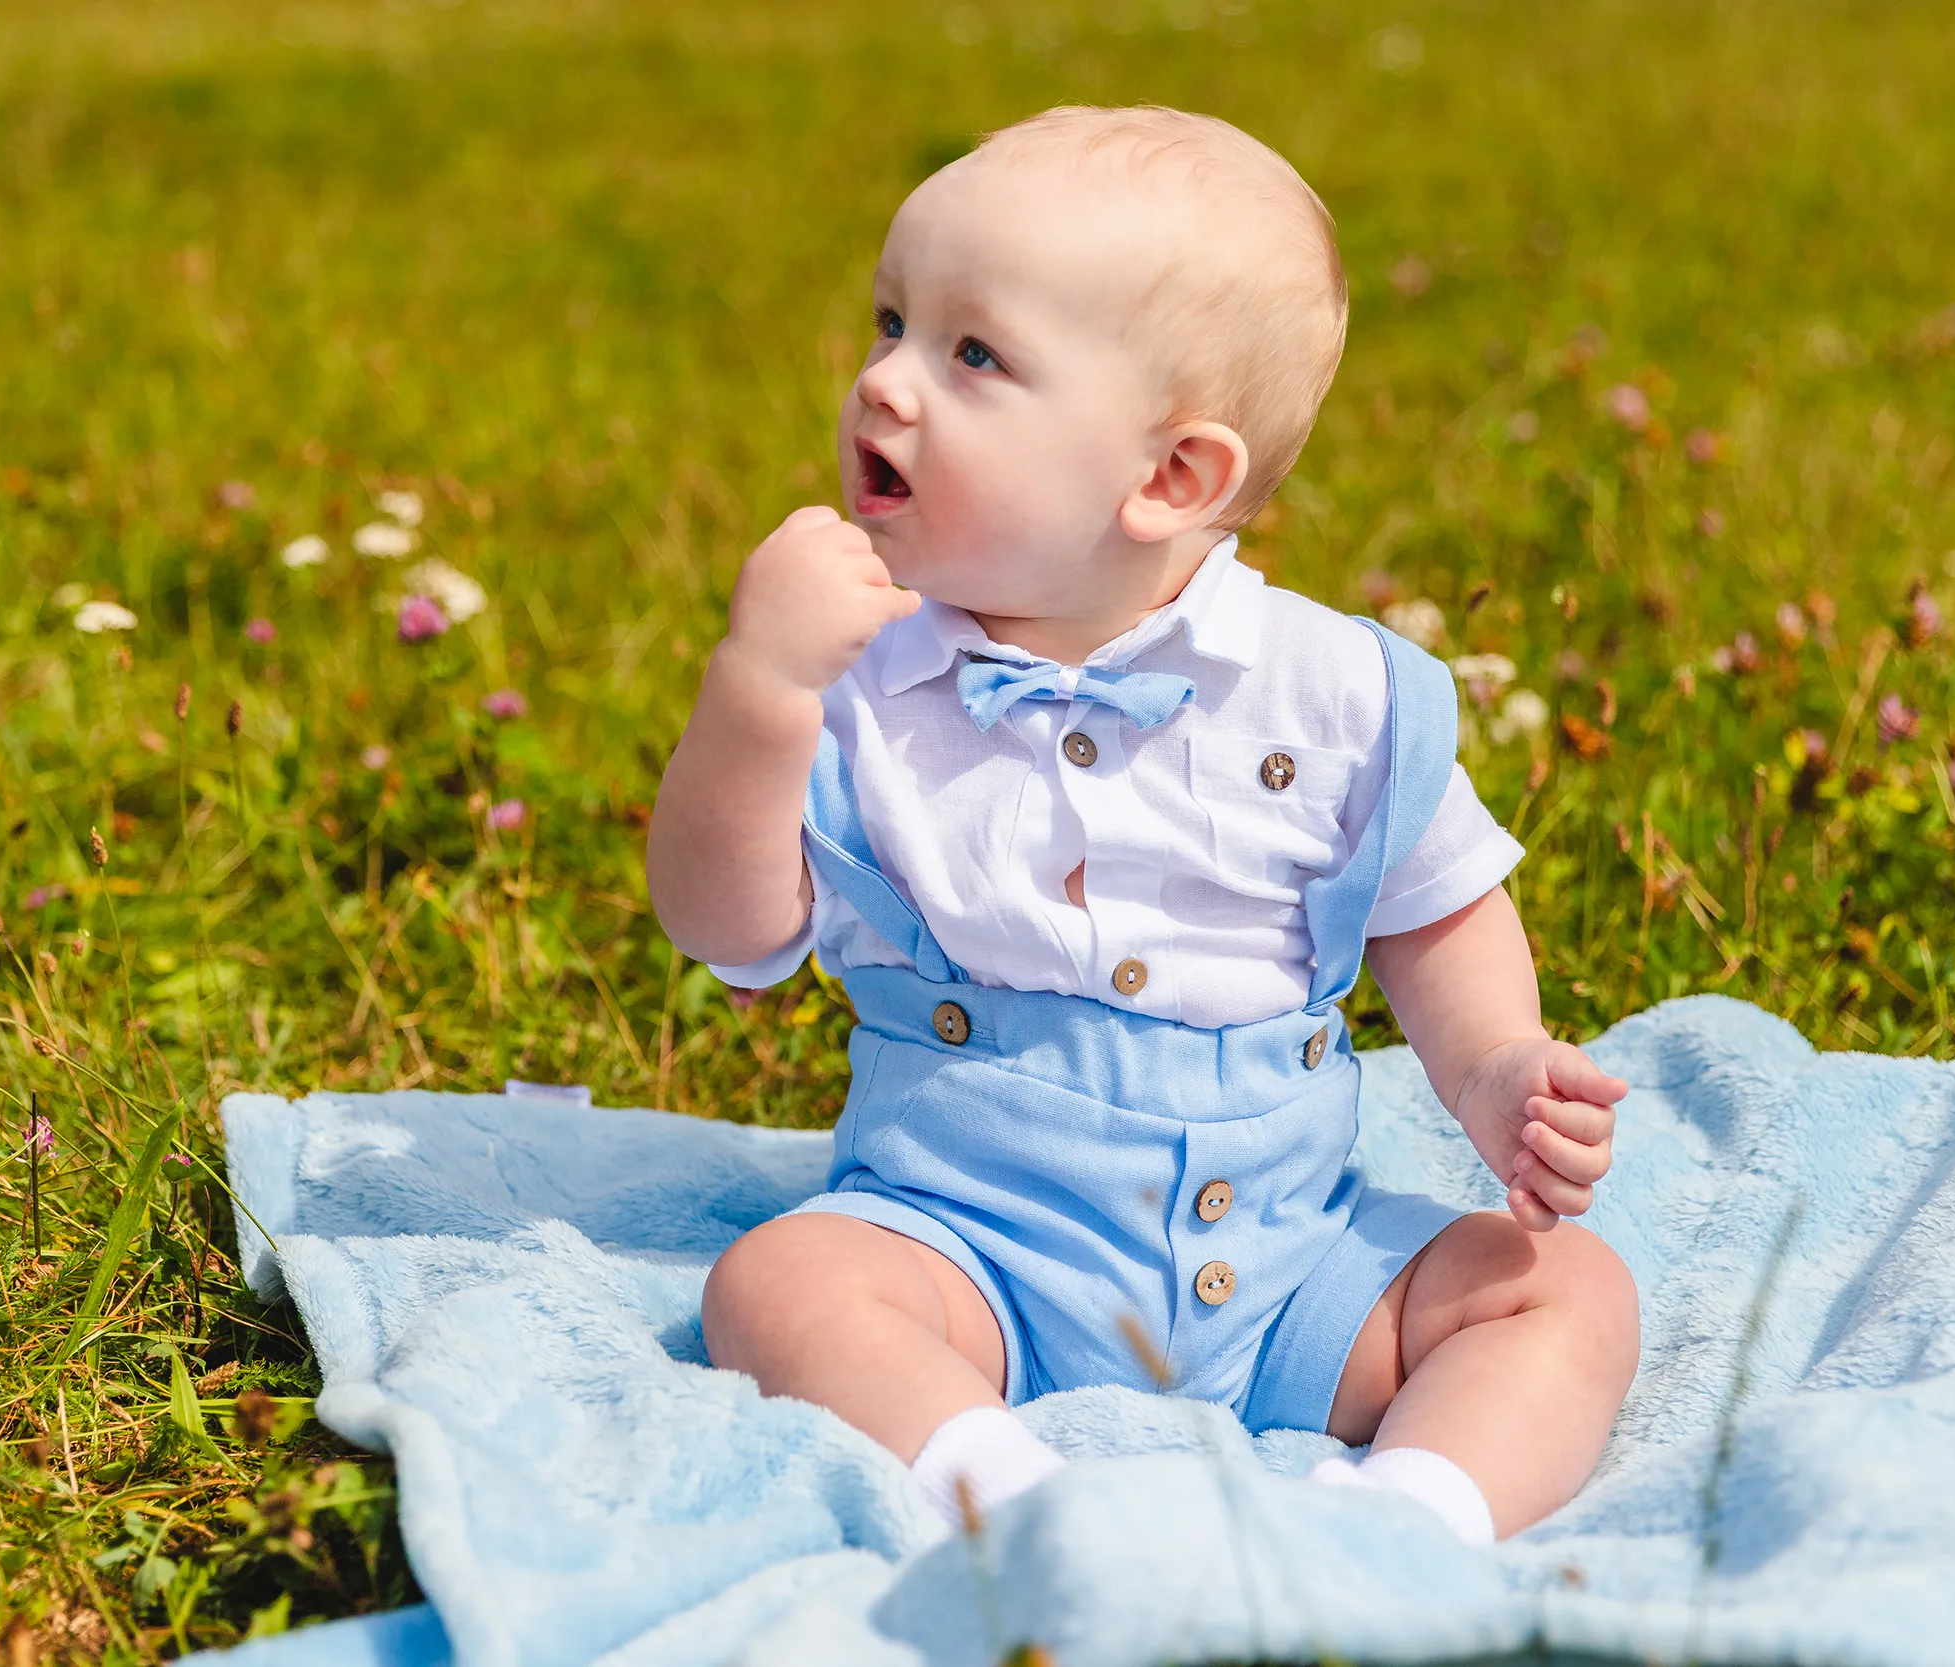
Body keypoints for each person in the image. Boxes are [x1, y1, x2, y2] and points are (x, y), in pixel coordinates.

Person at [649, 105, 1637, 1549]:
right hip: (968, 1256)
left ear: (1173, 479)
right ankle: (1003, 1506)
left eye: (971, 353)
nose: (885, 385)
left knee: (1564, 1289)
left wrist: (1493, 1066)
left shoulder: (1332, 693)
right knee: (778, 1283)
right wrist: (755, 692)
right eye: (889, 321)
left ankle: (1409, 1526)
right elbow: (720, 929)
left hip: (1291, 1261)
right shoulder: (856, 688)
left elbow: (1434, 909)